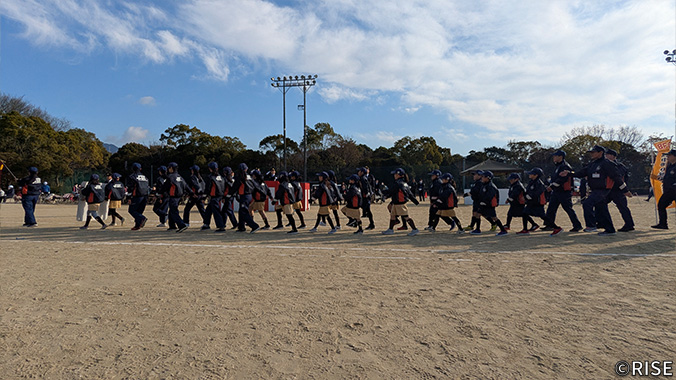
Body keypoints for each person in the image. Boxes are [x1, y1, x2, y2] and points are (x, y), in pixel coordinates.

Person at [564, 145, 630, 236]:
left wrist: (625, 190)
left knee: (587, 203)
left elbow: (616, 177)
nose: (592, 154)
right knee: (602, 208)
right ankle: (610, 229)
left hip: (603, 189)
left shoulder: (607, 163)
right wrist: (569, 174)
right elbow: (581, 173)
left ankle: (591, 225)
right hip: (595, 189)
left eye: (594, 152)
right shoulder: (592, 164)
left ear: (600, 153)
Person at [545, 150, 583, 232]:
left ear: (560, 157)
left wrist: (552, 186)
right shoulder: (558, 166)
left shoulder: (565, 166)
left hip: (564, 191)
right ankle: (549, 224)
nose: (554, 157)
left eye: (555, 156)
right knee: (551, 208)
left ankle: (577, 225)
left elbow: (562, 179)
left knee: (568, 208)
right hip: (557, 191)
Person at [521, 168, 562, 236]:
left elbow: (535, 194)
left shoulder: (539, 183)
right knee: (524, 213)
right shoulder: (532, 182)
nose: (529, 174)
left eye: (531, 173)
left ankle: (556, 228)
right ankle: (525, 229)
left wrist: (526, 197)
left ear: (536, 175)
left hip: (537, 203)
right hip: (531, 203)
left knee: (543, 216)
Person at [382, 168, 420, 236]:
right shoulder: (404, 183)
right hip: (396, 202)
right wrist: (415, 201)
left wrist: (384, 194)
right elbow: (410, 194)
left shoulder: (398, 183)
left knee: (406, 217)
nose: (394, 175)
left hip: (400, 203)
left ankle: (415, 229)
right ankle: (390, 229)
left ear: (399, 175)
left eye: (395, 174)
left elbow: (391, 191)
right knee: (392, 216)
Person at [604, 149, 635, 232]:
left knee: (623, 208)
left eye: (608, 155)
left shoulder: (619, 166)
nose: (606, 156)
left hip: (617, 190)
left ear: (613, 156)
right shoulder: (605, 165)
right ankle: (600, 222)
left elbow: (620, 179)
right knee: (600, 205)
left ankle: (629, 224)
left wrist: (624, 190)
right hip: (607, 189)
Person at [470, 171, 508, 236]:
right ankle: (477, 229)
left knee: (494, 217)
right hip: (482, 204)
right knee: (478, 214)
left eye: (483, 177)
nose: (481, 178)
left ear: (488, 178)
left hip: (488, 205)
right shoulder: (484, 185)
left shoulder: (491, 186)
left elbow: (490, 196)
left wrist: (485, 202)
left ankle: (503, 230)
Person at [161, 162, 189, 233]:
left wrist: (159, 192)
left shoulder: (170, 177)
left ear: (171, 168)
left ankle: (181, 225)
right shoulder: (180, 177)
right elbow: (186, 186)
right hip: (179, 196)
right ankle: (172, 225)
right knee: (172, 210)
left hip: (173, 196)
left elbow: (165, 186)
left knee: (174, 211)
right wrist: (191, 193)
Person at [651, 149, 676, 229]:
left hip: (674, 190)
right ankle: (663, 224)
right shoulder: (669, 166)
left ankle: (663, 224)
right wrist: (657, 178)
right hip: (669, 191)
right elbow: (667, 178)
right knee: (661, 205)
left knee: (661, 204)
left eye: (669, 155)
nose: (668, 157)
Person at [233, 163, 261, 233]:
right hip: (249, 196)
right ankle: (241, 227)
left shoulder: (240, 177)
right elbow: (255, 185)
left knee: (244, 212)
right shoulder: (249, 176)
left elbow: (235, 186)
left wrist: (229, 194)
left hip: (244, 196)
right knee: (241, 211)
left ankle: (254, 226)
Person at [202, 162, 226, 232]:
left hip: (214, 196)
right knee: (208, 210)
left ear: (210, 169)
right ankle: (206, 224)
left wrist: (204, 197)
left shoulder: (210, 177)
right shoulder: (221, 177)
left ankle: (221, 226)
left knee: (216, 212)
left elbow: (208, 188)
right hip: (220, 195)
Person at [127, 163, 149, 231]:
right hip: (145, 196)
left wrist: (129, 197)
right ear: (140, 169)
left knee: (132, 210)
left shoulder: (132, 177)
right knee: (139, 211)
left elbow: (130, 188)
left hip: (137, 196)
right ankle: (137, 225)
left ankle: (142, 218)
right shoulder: (145, 177)